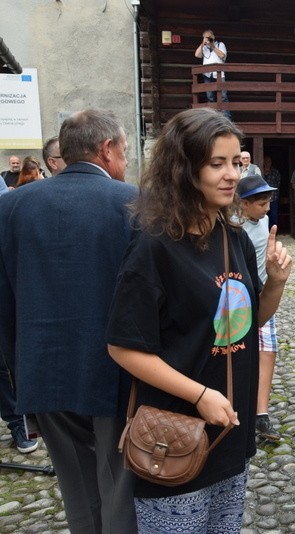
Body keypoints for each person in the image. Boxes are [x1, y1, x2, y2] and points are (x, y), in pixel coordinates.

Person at [106, 108, 292, 532]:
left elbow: (246, 322)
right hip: (173, 434)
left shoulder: (235, 238)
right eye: (217, 164)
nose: (232, 175)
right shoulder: (154, 247)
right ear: (185, 169)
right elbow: (123, 346)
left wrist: (276, 284)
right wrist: (200, 394)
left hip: (230, 432)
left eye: (236, 162)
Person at [0, 109, 137, 533]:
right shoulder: (132, 202)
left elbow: (4, 303)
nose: (125, 162)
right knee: (121, 491)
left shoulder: (12, 206)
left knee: (78, 493)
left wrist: (19, 371)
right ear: (106, 149)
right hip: (116, 371)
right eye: (125, 152)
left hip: (43, 371)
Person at [235, 174, 283, 445]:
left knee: (268, 348)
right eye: (261, 203)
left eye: (268, 202)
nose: (267, 208)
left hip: (264, 294)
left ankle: (260, 413)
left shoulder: (264, 221)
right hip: (240, 298)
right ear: (243, 204)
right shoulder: (234, 226)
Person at [194, 29, 232, 120]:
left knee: (223, 97)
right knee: (210, 97)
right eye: (205, 37)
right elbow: (197, 55)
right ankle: (212, 118)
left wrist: (212, 46)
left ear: (213, 37)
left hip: (219, 74)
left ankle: (226, 118)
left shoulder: (220, 44)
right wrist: (203, 44)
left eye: (209, 37)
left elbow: (222, 55)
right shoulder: (204, 47)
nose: (207, 39)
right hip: (207, 75)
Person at [262, 155, 281, 230]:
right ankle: (265, 231)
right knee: (263, 215)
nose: (268, 163)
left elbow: (278, 183)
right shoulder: (260, 170)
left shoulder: (275, 172)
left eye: (269, 161)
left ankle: (273, 231)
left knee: (273, 215)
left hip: (273, 197)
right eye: (266, 161)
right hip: (263, 197)